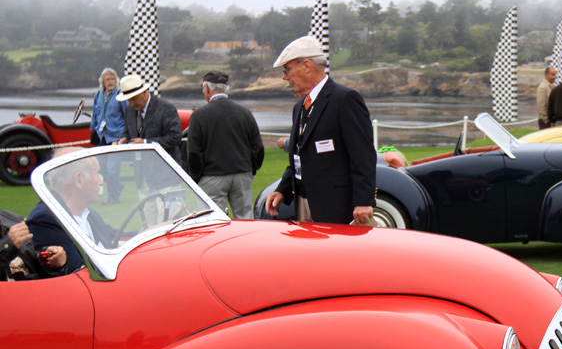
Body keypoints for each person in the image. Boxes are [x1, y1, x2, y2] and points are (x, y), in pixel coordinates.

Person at [264, 36, 376, 225]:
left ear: (306, 66)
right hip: (304, 203)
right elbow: (300, 156)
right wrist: (282, 190)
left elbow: (362, 154)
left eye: (288, 70)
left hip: (336, 206)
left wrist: (364, 201)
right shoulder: (299, 107)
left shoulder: (345, 99)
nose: (285, 77)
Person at [186, 70, 265, 218]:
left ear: (207, 88)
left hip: (212, 176)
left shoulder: (199, 116)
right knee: (245, 220)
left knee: (213, 222)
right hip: (242, 173)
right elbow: (258, 148)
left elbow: (194, 153)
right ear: (226, 89)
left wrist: (196, 177)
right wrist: (251, 170)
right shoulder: (244, 112)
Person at [25, 149, 117, 274]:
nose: (101, 182)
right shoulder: (46, 220)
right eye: (97, 174)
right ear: (79, 180)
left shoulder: (87, 213)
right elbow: (78, 273)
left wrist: (142, 232)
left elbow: (112, 234)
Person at [116, 75, 183, 166]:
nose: (132, 104)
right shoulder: (129, 110)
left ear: (144, 92)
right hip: (140, 170)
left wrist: (146, 143)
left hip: (165, 169)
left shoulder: (166, 108)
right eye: (128, 100)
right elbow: (127, 132)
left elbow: (175, 137)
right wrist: (123, 140)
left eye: (134, 99)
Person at [90, 68, 126, 203]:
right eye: (107, 79)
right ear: (103, 82)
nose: (110, 82)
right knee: (101, 167)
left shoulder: (120, 96)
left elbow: (126, 115)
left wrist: (125, 134)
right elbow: (95, 114)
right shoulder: (97, 95)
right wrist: (93, 130)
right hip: (101, 136)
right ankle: (118, 185)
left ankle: (113, 196)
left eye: (112, 79)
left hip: (116, 137)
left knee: (112, 169)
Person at [2, 220, 66, 278]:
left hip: (30, 287)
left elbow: (26, 263)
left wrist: (46, 261)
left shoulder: (10, 219)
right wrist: (7, 246)